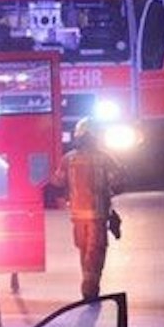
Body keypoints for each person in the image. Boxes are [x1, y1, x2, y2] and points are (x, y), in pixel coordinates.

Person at [51, 118, 123, 300]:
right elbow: (118, 182)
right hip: (97, 216)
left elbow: (57, 181)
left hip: (77, 216)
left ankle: (88, 288)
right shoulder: (105, 158)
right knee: (96, 253)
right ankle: (90, 290)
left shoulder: (68, 159)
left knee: (84, 252)